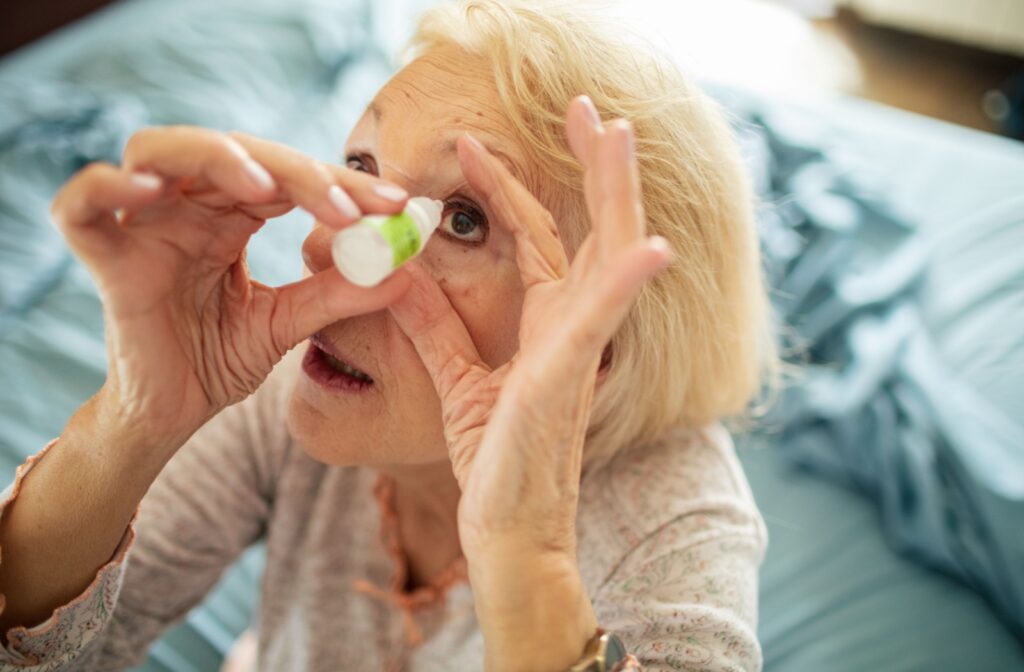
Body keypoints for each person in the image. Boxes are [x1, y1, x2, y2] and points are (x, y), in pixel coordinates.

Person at [0, 1, 776, 670]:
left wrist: (523, 556)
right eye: (361, 166)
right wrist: (135, 420)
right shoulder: (301, 382)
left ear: (596, 352)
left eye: (462, 220)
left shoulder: (675, 533)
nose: (329, 249)